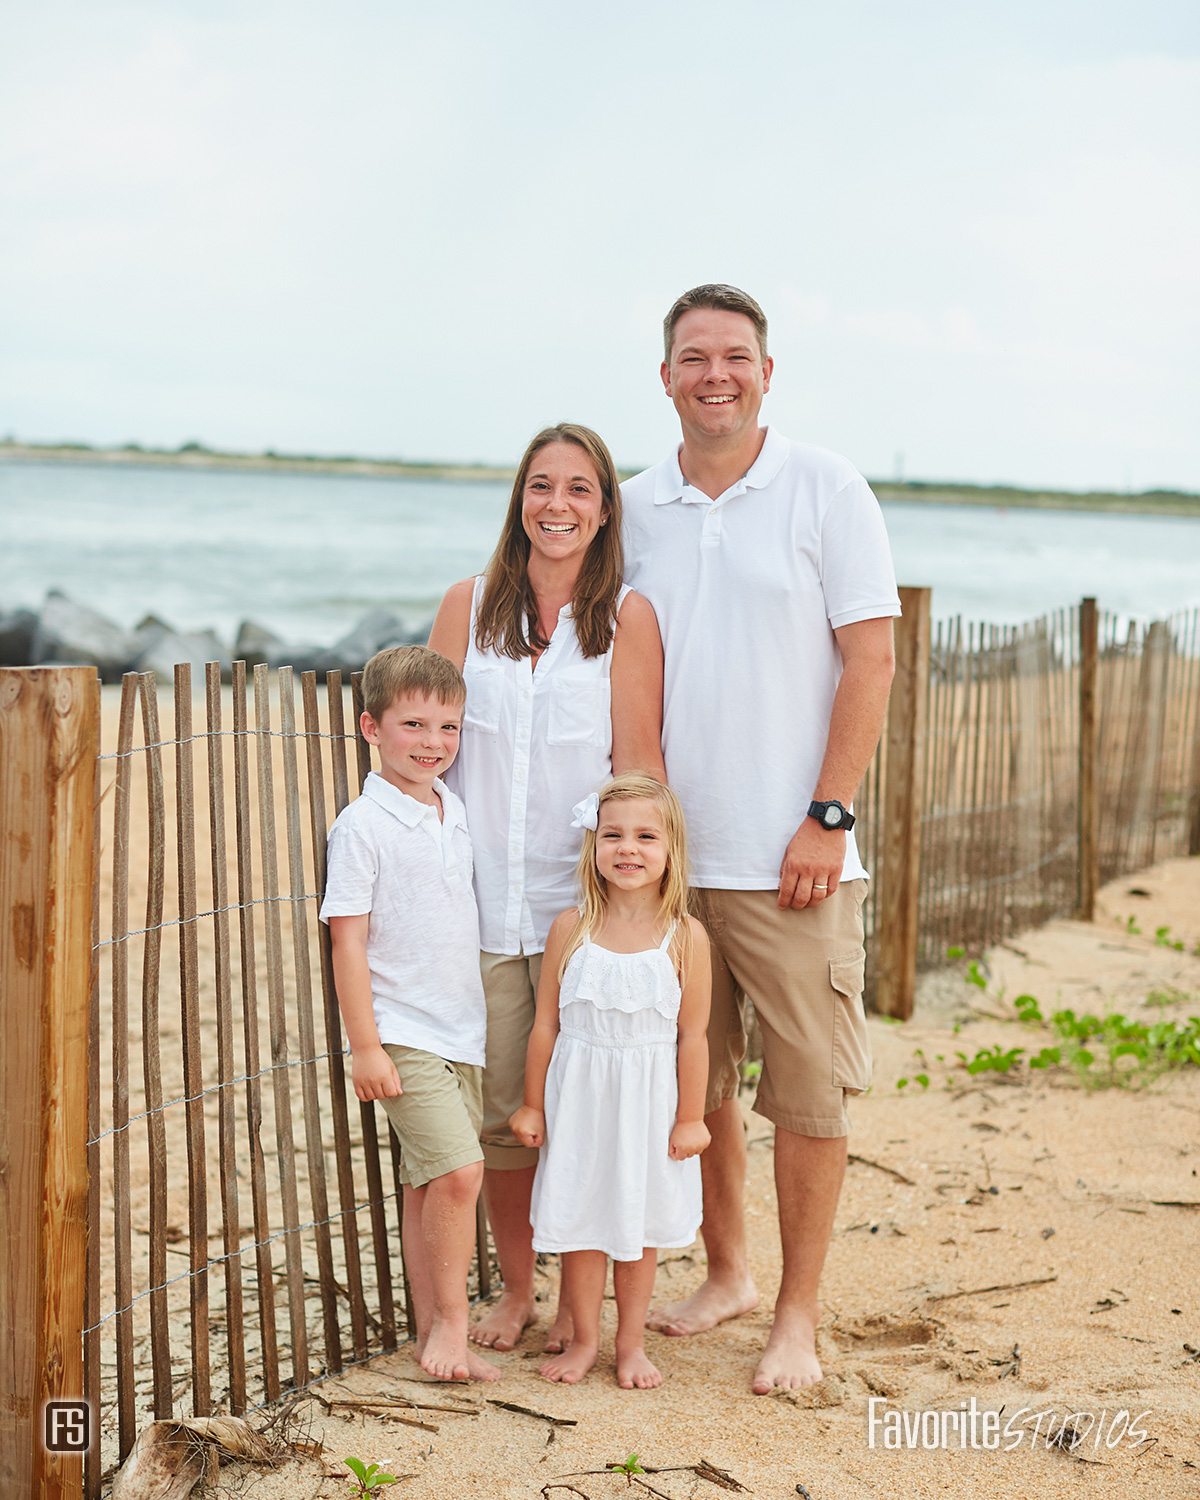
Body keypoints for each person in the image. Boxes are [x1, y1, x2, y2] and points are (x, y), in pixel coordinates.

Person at [621, 284, 900, 1394]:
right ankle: (728, 1271)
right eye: (695, 356)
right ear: (668, 378)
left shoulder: (827, 488)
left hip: (796, 860)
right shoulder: (639, 506)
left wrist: (828, 817)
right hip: (679, 863)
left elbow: (870, 661)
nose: (715, 373)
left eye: (736, 355)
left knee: (809, 1098)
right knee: (702, 1089)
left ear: (767, 374)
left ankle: (797, 1315)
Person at [428, 423, 666, 1354]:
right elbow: (432, 753)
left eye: (578, 489)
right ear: (519, 499)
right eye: (540, 486)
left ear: (605, 509)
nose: (556, 506)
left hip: (579, 912)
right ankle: (516, 1292)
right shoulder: (468, 605)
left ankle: (592, 1311)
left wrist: (633, 905)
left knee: (587, 1106)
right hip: (480, 907)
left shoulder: (627, 619)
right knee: (502, 1117)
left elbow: (638, 765)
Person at [320, 645, 499, 1384]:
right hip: (403, 1031)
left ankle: (430, 1330)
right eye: (414, 724)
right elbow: (348, 939)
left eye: (449, 728)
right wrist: (366, 1045)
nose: (433, 743)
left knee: (429, 1183)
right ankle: (454, 1326)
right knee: (462, 1173)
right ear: (371, 727)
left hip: (463, 1027)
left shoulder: (452, 809)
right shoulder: (362, 826)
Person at [509, 774, 711, 1388]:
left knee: (636, 1226)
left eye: (646, 836)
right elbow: (545, 1025)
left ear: (671, 849)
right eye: (613, 835)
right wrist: (531, 1106)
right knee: (581, 1221)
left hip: (649, 1107)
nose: (629, 848)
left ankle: (630, 1346)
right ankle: (584, 1342)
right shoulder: (570, 928)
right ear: (592, 846)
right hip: (580, 1102)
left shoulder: (686, 937)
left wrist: (692, 1118)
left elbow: (693, 1038)